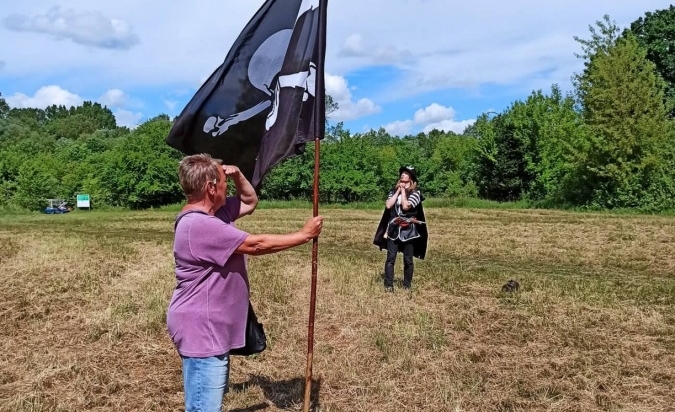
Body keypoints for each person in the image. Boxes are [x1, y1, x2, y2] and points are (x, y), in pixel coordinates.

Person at [166, 153, 323, 412]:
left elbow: (249, 201)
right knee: (204, 408)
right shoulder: (199, 225)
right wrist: (303, 235)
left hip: (208, 327)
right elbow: (256, 245)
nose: (227, 185)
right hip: (202, 328)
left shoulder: (214, 214)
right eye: (224, 181)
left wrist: (238, 175)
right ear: (210, 187)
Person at [373, 166, 428, 292]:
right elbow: (388, 205)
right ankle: (388, 286)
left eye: (406, 173)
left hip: (409, 232)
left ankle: (407, 286)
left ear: (411, 178)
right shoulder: (393, 191)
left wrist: (403, 192)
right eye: (402, 173)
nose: (402, 175)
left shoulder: (416, 193)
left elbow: (406, 205)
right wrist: (398, 191)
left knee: (408, 260)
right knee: (390, 258)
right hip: (393, 230)